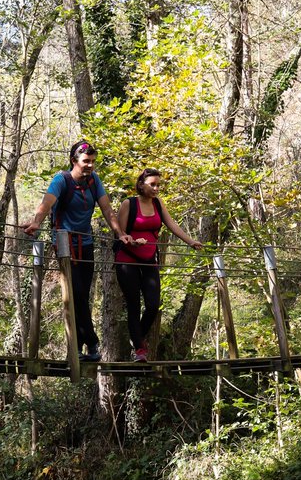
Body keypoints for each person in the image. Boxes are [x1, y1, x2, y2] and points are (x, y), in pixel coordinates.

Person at [22, 141, 131, 361]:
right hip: (64, 245)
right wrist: (36, 222)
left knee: (82, 294)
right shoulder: (61, 180)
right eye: (85, 161)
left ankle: (81, 348)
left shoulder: (94, 181)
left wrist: (120, 233)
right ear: (74, 161)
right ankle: (90, 344)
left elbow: (108, 209)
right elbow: (47, 203)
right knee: (76, 294)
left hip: (86, 243)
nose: (90, 165)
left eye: (92, 161)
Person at [115, 168, 202, 362]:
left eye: (158, 185)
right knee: (134, 305)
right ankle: (140, 349)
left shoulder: (158, 204)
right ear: (141, 185)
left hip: (149, 259)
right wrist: (131, 240)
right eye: (152, 184)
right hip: (127, 258)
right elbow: (119, 233)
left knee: (153, 305)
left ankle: (137, 338)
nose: (156, 188)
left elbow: (172, 224)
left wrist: (190, 241)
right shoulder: (128, 204)